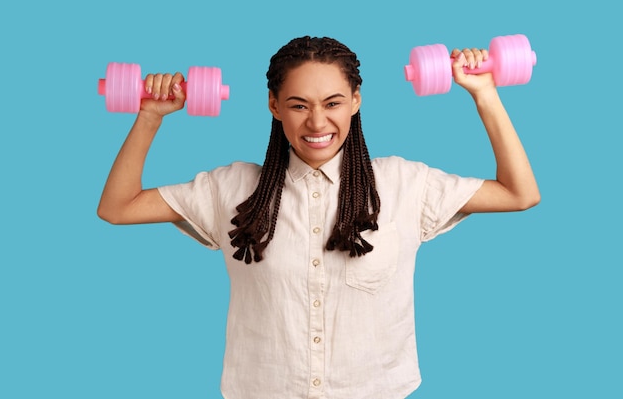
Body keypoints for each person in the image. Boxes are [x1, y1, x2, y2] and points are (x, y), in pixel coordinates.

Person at [98, 36, 540, 399]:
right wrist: (149, 115)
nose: (316, 121)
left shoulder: (405, 184)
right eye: (298, 104)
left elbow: (519, 194)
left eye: (332, 103)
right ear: (273, 105)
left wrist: (484, 93)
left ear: (355, 101)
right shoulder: (230, 189)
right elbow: (118, 208)